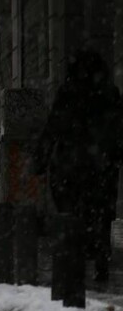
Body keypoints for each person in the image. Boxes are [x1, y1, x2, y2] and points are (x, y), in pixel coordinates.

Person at [34, 49, 123, 282]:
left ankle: (75, 258)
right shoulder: (109, 93)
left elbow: (53, 126)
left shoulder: (69, 93)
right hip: (102, 167)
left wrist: (41, 159)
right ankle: (100, 259)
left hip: (71, 166)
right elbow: (118, 129)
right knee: (102, 214)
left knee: (71, 212)